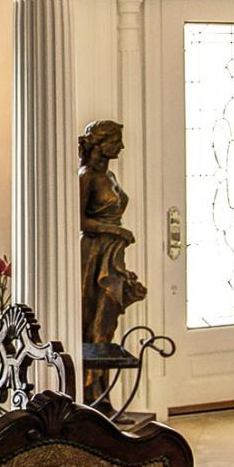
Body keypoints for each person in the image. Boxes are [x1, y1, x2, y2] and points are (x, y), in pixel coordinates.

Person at [80, 120, 147, 349]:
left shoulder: (110, 176)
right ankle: (87, 378)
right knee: (93, 312)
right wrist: (115, 230)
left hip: (112, 249)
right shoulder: (86, 176)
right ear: (100, 143)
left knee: (108, 314)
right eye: (116, 141)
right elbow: (79, 221)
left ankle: (98, 381)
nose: (121, 146)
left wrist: (117, 234)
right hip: (93, 252)